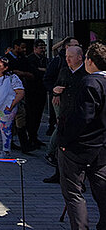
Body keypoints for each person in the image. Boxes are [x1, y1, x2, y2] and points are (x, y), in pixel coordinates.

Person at [57, 42, 106, 230]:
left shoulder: (90, 82)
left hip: (80, 148)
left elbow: (81, 118)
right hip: (101, 149)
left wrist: (63, 141)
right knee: (101, 190)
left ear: (90, 61)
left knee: (73, 194)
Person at [43, 45, 88, 183]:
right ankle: (59, 174)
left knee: (78, 149)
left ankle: (79, 180)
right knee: (60, 145)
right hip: (64, 113)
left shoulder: (86, 74)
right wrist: (55, 91)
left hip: (79, 115)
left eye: (70, 57)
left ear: (80, 57)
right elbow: (56, 86)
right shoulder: (64, 71)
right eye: (66, 57)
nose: (67, 59)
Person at [44, 37, 80, 135]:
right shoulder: (58, 61)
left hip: (74, 99)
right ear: (67, 47)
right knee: (60, 126)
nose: (78, 47)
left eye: (78, 45)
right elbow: (47, 79)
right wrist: (54, 92)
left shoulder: (82, 62)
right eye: (75, 45)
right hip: (60, 98)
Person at [6, 38, 34, 153]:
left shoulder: (23, 59)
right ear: (15, 47)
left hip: (21, 92)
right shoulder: (7, 59)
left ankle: (24, 145)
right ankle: (12, 143)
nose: (23, 50)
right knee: (12, 119)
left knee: (20, 118)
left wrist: (22, 73)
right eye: (21, 47)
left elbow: (31, 73)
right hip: (9, 93)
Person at [26, 39, 48, 148]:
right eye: (41, 48)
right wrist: (40, 70)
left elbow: (48, 71)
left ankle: (35, 136)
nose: (43, 50)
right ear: (35, 48)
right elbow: (33, 72)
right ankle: (31, 137)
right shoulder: (30, 59)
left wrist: (41, 70)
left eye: (44, 47)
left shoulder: (45, 59)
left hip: (41, 89)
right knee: (31, 115)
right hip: (31, 90)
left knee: (38, 114)